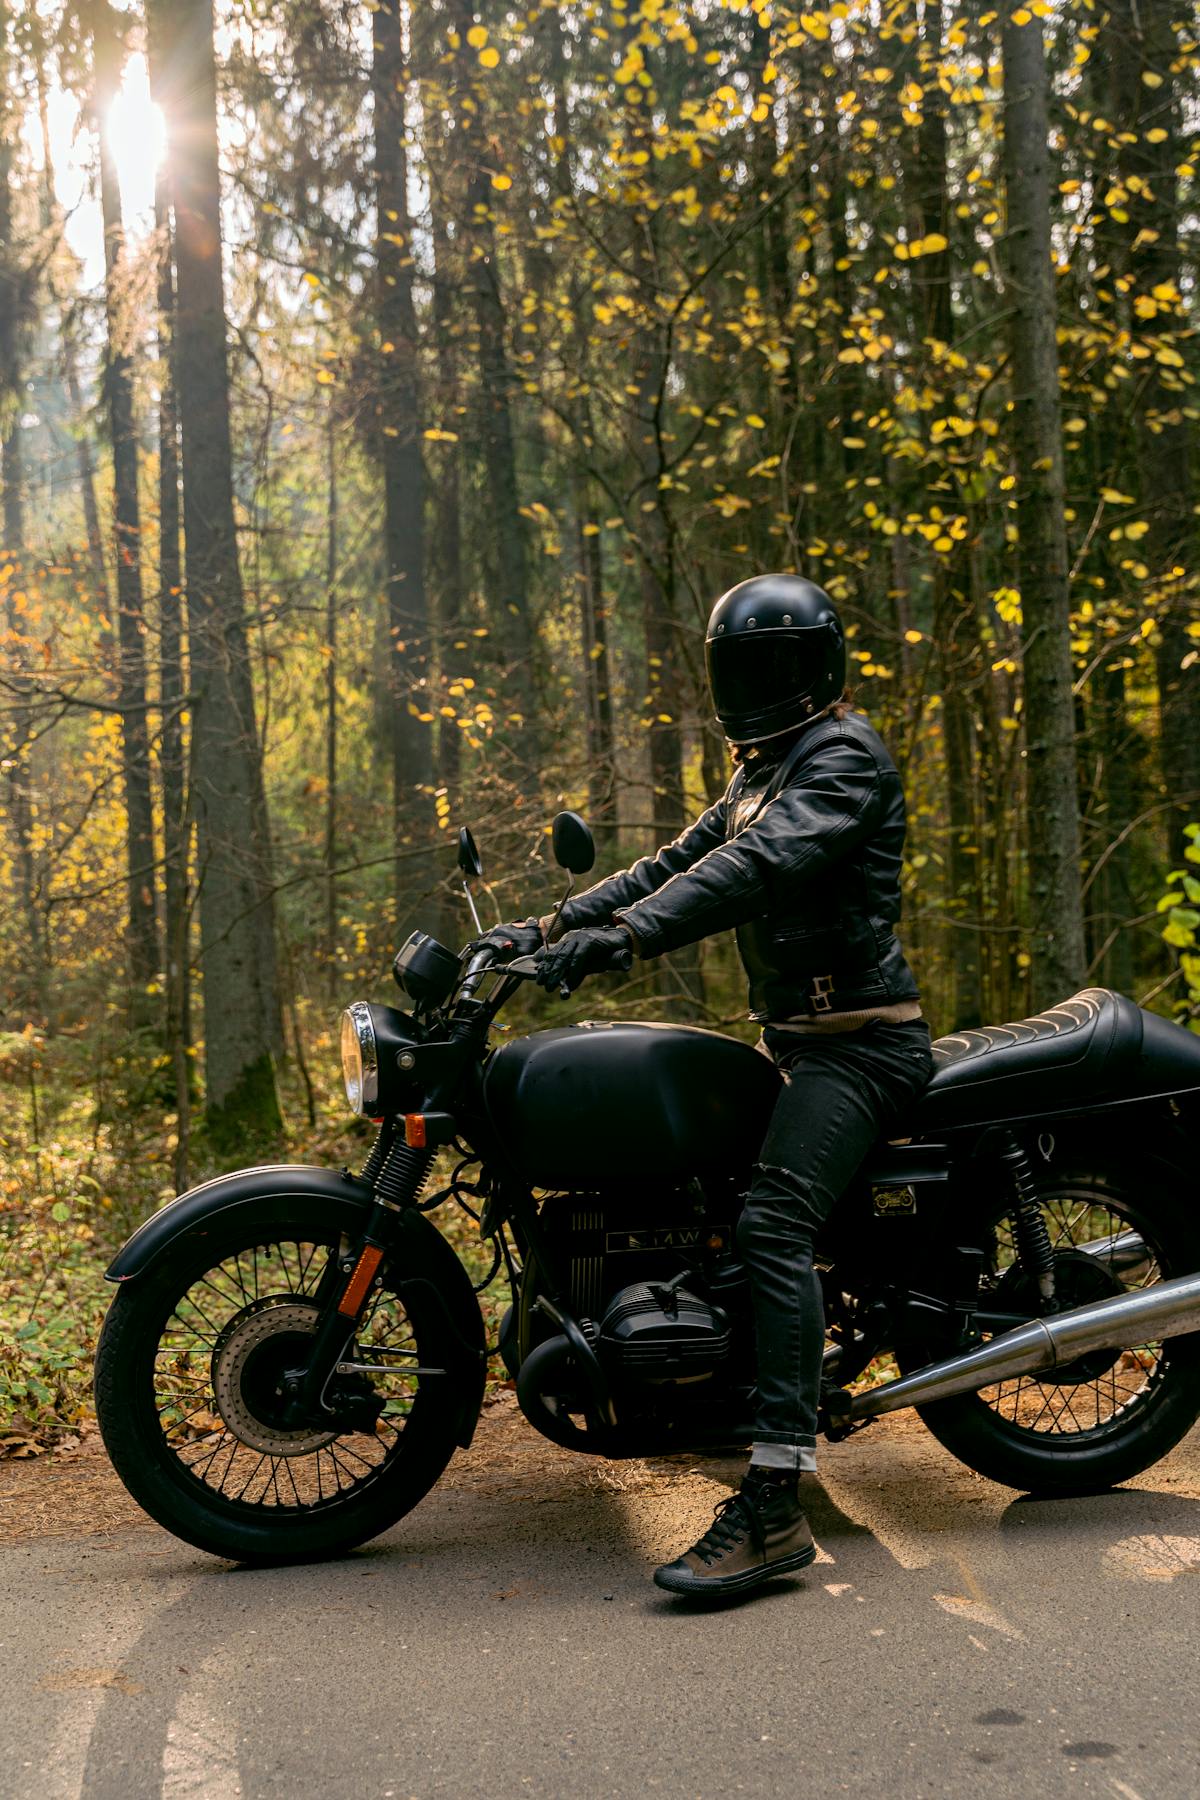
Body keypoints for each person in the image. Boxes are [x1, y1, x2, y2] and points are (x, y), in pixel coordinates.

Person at [473, 574, 933, 1597]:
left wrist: (621, 943)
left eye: (769, 663)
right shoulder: (764, 765)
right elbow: (674, 860)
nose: (752, 682)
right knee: (700, 1205)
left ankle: (774, 1505)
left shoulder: (843, 758)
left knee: (772, 1226)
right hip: (799, 1040)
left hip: (859, 1046)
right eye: (738, 664)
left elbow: (758, 866)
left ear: (813, 666)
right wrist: (551, 926)